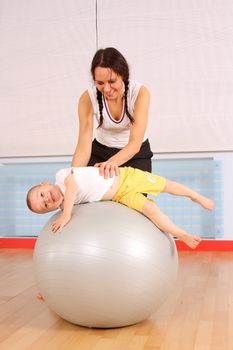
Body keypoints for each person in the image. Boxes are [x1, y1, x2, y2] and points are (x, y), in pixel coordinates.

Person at [26, 166, 214, 249]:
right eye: (44, 206)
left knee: (167, 186)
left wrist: (66, 214)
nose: (47, 200)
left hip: (126, 178)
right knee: (151, 211)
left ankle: (196, 197)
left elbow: (73, 187)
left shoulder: (61, 177)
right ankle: (181, 234)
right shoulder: (64, 207)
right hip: (120, 196)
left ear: (45, 184)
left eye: (42, 194)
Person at [72, 47, 153, 178]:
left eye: (112, 81)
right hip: (101, 153)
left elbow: (135, 143)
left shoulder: (140, 93)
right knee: (85, 194)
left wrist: (110, 164)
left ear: (123, 75)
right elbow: (83, 147)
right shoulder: (87, 98)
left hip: (135, 156)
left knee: (133, 198)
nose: (106, 89)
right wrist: (72, 176)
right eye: (100, 83)